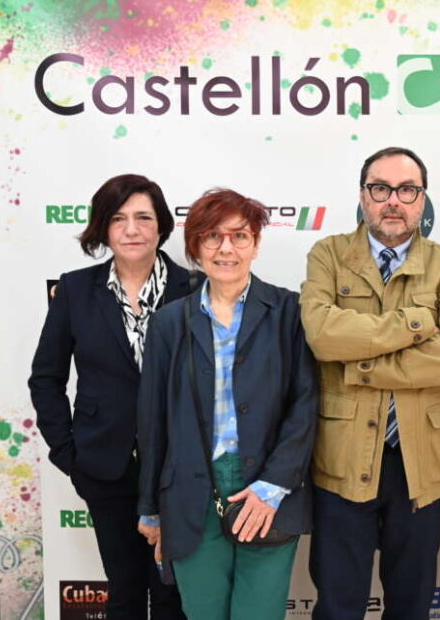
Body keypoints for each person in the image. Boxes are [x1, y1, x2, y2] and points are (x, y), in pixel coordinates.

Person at [299, 146, 440, 620]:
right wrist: (417, 323)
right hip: (343, 454)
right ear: (363, 196)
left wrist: (362, 367)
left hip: (423, 461)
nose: (393, 201)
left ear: (422, 199)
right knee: (338, 606)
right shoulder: (328, 255)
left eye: (407, 190)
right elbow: (322, 334)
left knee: (411, 605)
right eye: (380, 189)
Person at [135, 188, 317, 620]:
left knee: (259, 612)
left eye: (239, 236)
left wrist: (273, 486)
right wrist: (150, 508)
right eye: (212, 236)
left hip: (266, 488)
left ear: (256, 243)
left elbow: (306, 404)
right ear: (196, 245)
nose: (226, 248)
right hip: (189, 490)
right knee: (204, 612)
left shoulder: (289, 312)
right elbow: (153, 422)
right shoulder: (169, 323)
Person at [29, 174, 189, 620]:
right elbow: (46, 378)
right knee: (124, 593)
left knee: (174, 596)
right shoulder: (76, 289)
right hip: (105, 466)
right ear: (103, 227)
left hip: (179, 468)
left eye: (143, 217)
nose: (131, 229)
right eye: (118, 219)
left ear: (161, 225)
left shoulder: (193, 288)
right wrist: (69, 455)